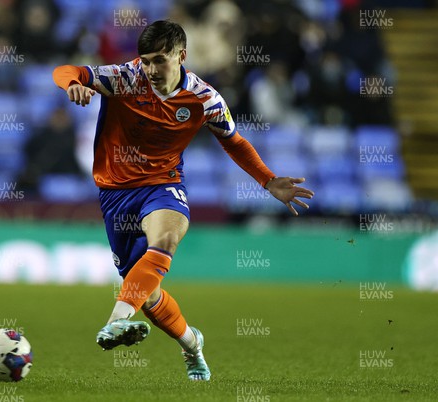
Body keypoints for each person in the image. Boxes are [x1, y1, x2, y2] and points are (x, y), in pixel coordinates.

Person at [52, 20, 314, 381]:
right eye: (145, 60)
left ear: (181, 55)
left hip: (163, 184)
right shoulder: (126, 79)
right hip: (115, 193)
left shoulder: (205, 99)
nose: (150, 69)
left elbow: (233, 141)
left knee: (166, 239)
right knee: (146, 295)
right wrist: (74, 84)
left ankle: (115, 321)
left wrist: (268, 181)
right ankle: (192, 345)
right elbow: (66, 70)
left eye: (159, 60)